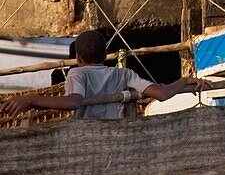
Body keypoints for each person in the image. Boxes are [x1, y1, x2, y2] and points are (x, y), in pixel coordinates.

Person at [0, 30, 207, 121]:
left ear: (78, 57)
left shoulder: (77, 74)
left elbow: (74, 102)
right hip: (116, 132)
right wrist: (184, 80)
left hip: (87, 136)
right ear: (105, 55)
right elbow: (161, 93)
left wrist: (30, 99)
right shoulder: (123, 73)